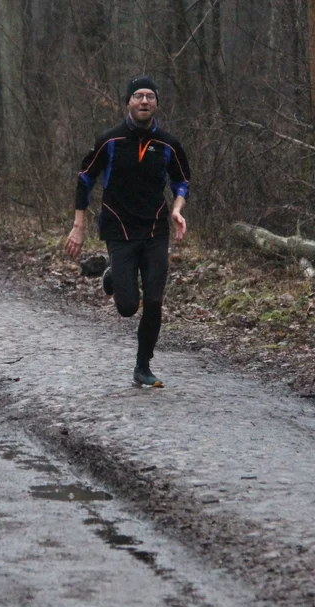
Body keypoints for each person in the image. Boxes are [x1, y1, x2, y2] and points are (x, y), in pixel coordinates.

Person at [64, 75, 190, 387]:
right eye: (138, 96)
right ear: (128, 102)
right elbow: (84, 180)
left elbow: (181, 181)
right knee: (127, 307)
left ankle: (143, 366)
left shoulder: (168, 144)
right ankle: (112, 275)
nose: (144, 101)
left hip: (156, 228)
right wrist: (78, 225)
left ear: (157, 103)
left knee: (155, 299)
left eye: (150, 96)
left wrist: (177, 208)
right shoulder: (109, 140)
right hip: (118, 228)